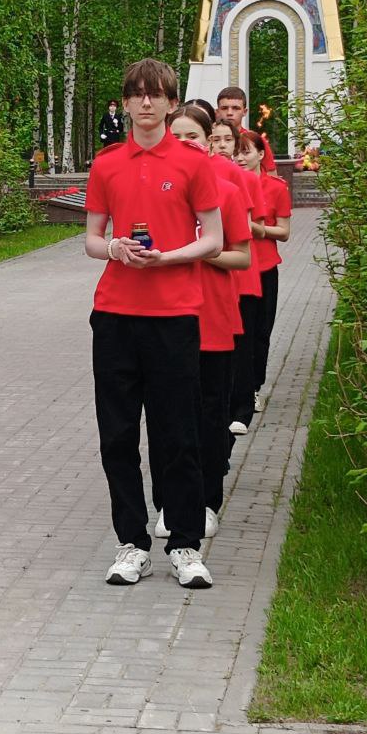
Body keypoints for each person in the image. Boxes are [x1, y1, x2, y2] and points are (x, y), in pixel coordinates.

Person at [84, 58, 222, 589]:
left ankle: (185, 544)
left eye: (156, 94)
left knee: (177, 433)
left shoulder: (193, 163)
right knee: (117, 435)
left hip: (173, 314)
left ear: (170, 102)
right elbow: (92, 239)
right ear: (125, 103)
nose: (146, 102)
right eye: (137, 94)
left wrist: (167, 258)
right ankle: (132, 544)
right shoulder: (107, 164)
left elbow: (213, 239)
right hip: (115, 315)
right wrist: (115, 248)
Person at [154, 105, 251, 541]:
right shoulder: (157, 190)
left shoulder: (225, 189)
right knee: (166, 416)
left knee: (210, 417)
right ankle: (168, 502)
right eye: (176, 136)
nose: (184, 144)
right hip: (165, 316)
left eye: (193, 136)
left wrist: (200, 250)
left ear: (210, 140)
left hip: (212, 318)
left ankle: (207, 502)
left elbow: (241, 257)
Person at [211, 120, 267, 436]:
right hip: (211, 273)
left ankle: (242, 409)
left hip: (238, 270)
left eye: (227, 140)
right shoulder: (199, 172)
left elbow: (247, 226)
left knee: (242, 343)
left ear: (236, 144)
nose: (221, 145)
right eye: (215, 139)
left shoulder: (242, 178)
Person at [235, 130, 291, 413]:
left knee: (260, 331)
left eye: (246, 152)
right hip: (235, 268)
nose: (240, 158)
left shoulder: (276, 188)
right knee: (237, 332)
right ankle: (236, 387)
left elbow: (284, 232)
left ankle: (254, 387)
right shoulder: (227, 184)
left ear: (260, 154)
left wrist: (260, 230)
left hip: (264, 267)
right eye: (237, 152)